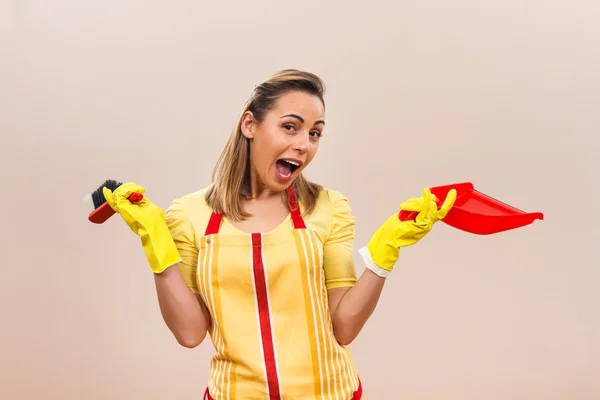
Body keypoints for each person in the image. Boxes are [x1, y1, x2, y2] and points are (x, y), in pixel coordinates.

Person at [102, 69, 457, 399]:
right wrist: (157, 244)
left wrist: (386, 248)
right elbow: (190, 333)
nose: (305, 144)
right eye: (291, 127)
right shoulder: (191, 214)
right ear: (250, 125)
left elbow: (344, 327)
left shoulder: (328, 207)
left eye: (315, 133)